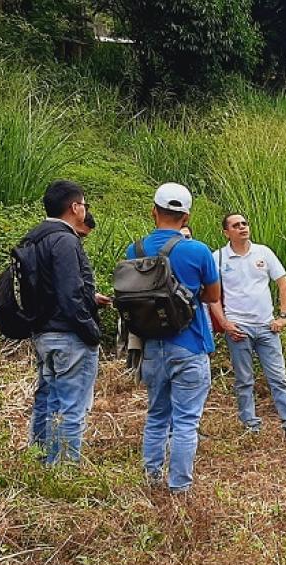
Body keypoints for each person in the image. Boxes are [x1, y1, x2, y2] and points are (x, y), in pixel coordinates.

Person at [125, 183, 220, 494]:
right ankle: (179, 487)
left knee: (156, 416)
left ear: (154, 211)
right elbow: (213, 295)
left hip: (151, 346)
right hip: (189, 344)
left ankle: (151, 479)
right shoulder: (198, 250)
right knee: (185, 422)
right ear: (186, 216)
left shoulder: (135, 250)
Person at [28, 180, 111, 464]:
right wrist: (91, 331)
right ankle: (63, 471)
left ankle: (41, 462)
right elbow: (69, 293)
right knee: (71, 408)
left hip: (42, 332)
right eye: (83, 204)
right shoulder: (64, 240)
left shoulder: (34, 237)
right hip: (68, 335)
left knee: (49, 402)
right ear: (75, 207)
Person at [207, 213, 286, 441]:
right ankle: (251, 426)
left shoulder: (263, 252)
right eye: (235, 225)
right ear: (226, 232)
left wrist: (283, 316)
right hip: (238, 327)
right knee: (244, 379)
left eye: (244, 224)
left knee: (278, 377)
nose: (242, 228)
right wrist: (225, 323)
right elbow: (212, 296)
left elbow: (283, 283)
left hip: (267, 327)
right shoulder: (218, 257)